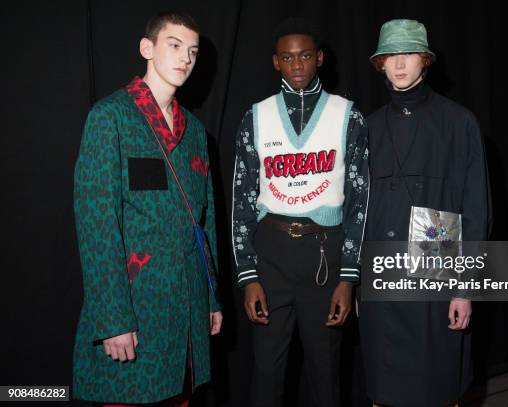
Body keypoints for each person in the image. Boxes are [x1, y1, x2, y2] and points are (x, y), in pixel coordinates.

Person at [72, 11, 222, 406]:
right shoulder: (110, 118)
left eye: (192, 51)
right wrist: (112, 319)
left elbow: (205, 223)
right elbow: (97, 225)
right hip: (135, 307)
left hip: (186, 306)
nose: (185, 59)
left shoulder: (195, 132)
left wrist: (211, 296)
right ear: (147, 48)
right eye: (174, 46)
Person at [231, 17, 369, 407]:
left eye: (305, 56)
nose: (297, 65)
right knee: (266, 374)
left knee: (326, 373)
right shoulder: (254, 117)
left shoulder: (348, 116)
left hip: (324, 257)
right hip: (271, 256)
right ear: (276, 62)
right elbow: (241, 200)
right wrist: (247, 275)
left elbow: (360, 201)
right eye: (288, 58)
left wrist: (349, 277)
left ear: (319, 58)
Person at [359, 19, 492, 407]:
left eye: (409, 55)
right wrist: (355, 280)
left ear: (426, 61)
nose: (400, 65)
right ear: (380, 64)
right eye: (391, 57)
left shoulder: (459, 122)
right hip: (382, 277)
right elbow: (359, 211)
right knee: (385, 388)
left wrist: (464, 288)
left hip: (435, 272)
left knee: (436, 385)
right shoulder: (366, 128)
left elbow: (476, 209)